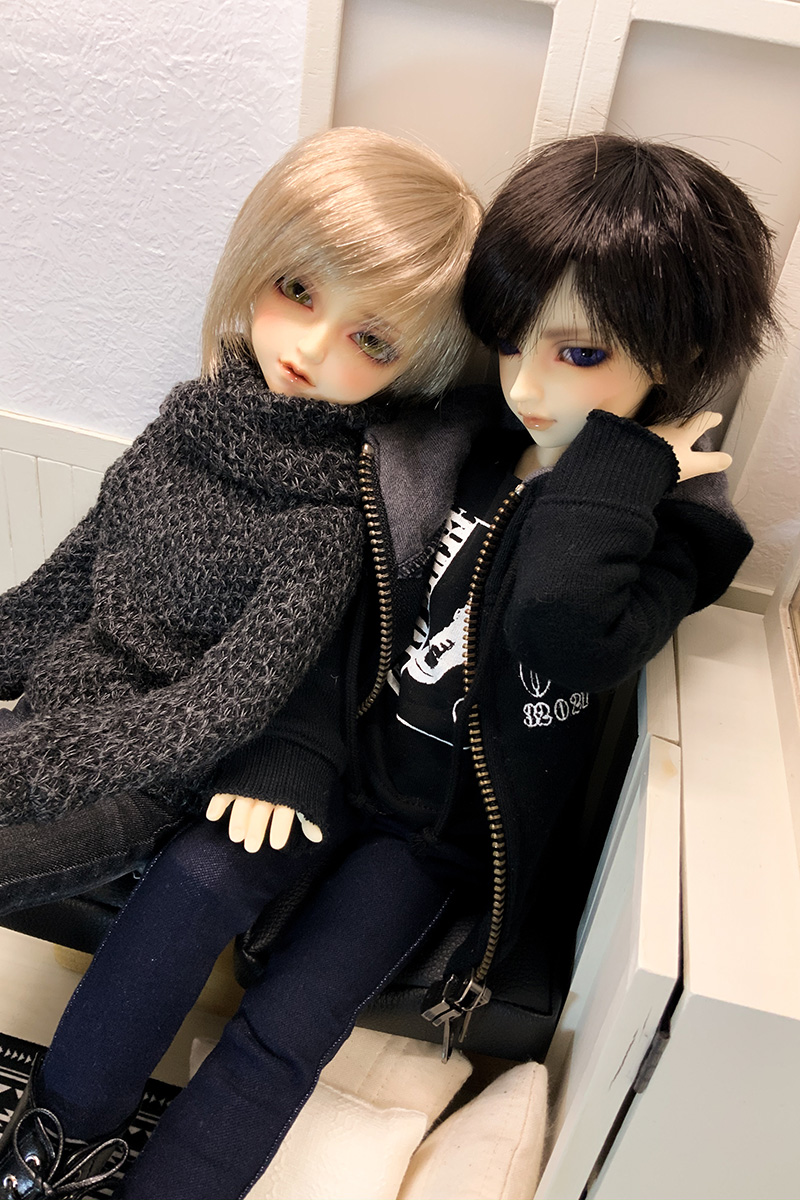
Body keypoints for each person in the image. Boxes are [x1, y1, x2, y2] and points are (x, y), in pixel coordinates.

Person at [0, 134, 775, 1200]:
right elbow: (332, 621)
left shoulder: (673, 529)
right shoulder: (442, 444)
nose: (527, 385)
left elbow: (559, 627)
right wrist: (290, 755)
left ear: (674, 355)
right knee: (188, 890)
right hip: (324, 769)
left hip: (432, 840)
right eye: (511, 343)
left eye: (580, 355)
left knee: (290, 1024)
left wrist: (616, 465)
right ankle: (57, 1144)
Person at [0, 125, 481, 911]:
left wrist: (31, 768)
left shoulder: (324, 524)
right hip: (50, 721)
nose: (311, 346)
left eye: (370, 339)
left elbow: (222, 704)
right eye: (298, 289)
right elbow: (60, 592)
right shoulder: (183, 429)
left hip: (147, 778)